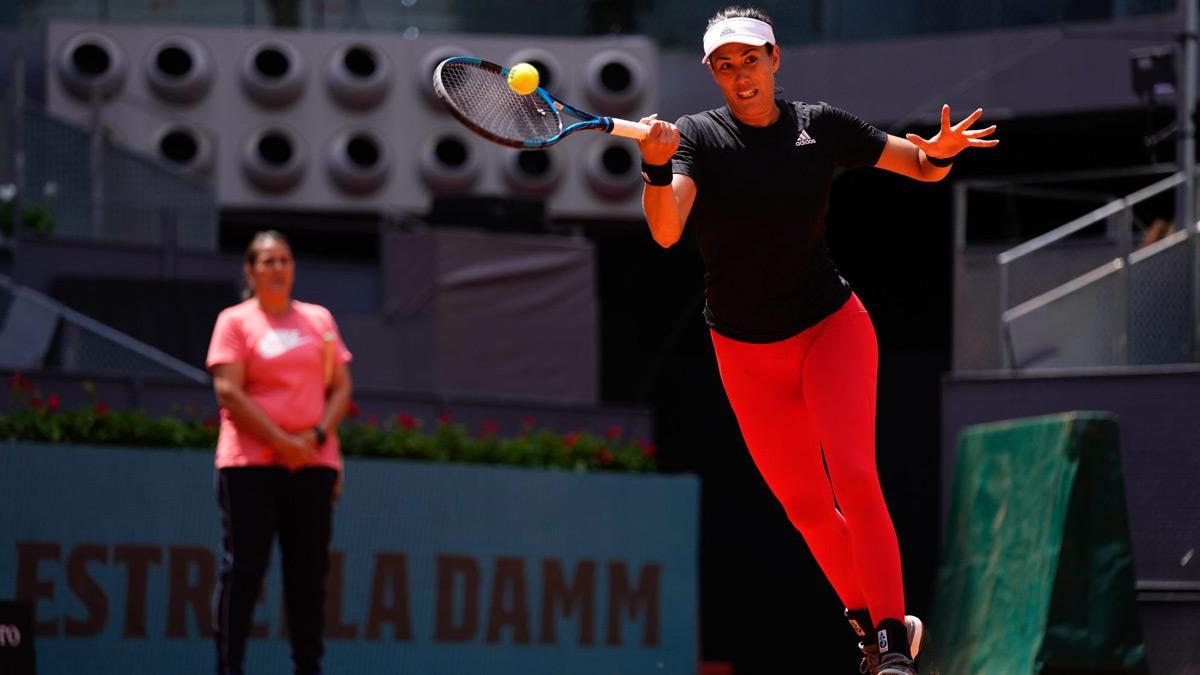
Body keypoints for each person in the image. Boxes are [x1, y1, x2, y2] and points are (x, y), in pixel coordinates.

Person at [636, 7, 998, 675]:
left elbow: (919, 165)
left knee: (856, 475)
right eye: (724, 64)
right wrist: (657, 171)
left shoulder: (820, 126)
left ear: (775, 57)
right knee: (805, 505)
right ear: (711, 73)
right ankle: (869, 623)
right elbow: (665, 230)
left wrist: (940, 153)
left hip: (830, 326)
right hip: (744, 348)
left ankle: (893, 643)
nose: (739, 74)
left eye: (750, 58)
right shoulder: (695, 138)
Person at [206, 230, 353, 675]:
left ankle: (307, 668)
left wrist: (316, 435)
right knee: (244, 570)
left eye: (284, 260)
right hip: (249, 466)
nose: (277, 268)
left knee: (307, 577)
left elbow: (341, 388)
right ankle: (230, 668)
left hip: (312, 465)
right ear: (251, 271)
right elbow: (228, 389)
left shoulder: (320, 320)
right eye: (267, 261)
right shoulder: (234, 321)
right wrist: (281, 440)